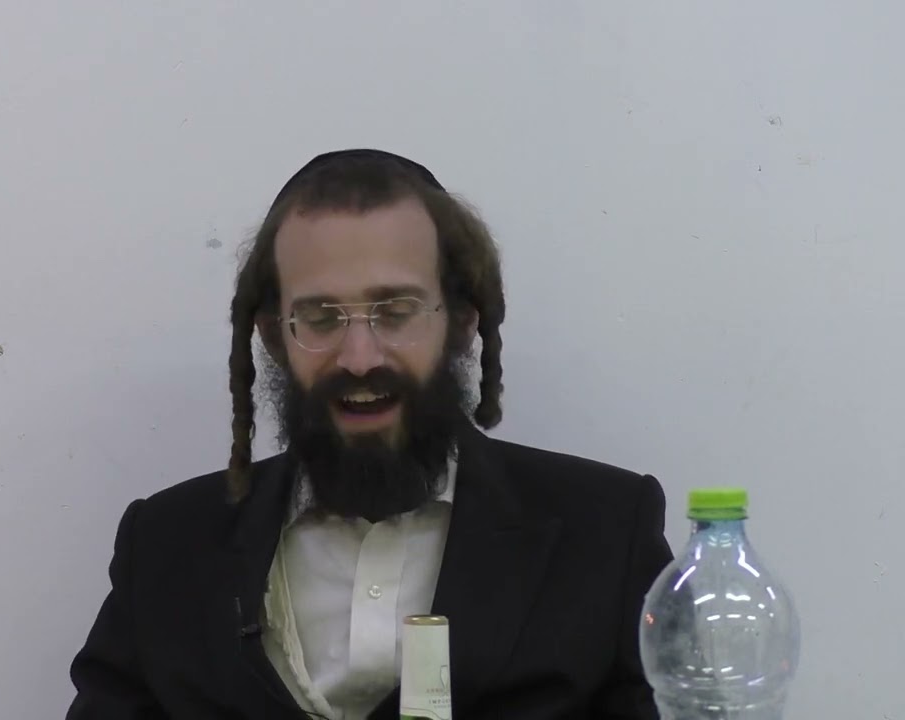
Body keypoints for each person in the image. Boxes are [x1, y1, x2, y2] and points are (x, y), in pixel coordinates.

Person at [66, 149, 674, 719]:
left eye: (396, 311)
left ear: (461, 323)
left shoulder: (606, 532)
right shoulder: (165, 545)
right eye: (320, 318)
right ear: (275, 336)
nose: (359, 358)